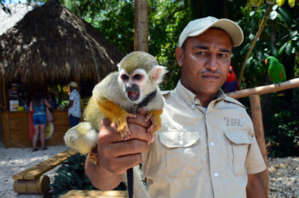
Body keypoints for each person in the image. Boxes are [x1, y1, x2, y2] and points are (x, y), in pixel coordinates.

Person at [84, 16, 267, 198]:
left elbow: (251, 181)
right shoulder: (150, 112)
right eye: (201, 53)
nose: (213, 65)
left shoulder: (239, 113)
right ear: (180, 56)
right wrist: (103, 162)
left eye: (222, 55)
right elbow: (105, 179)